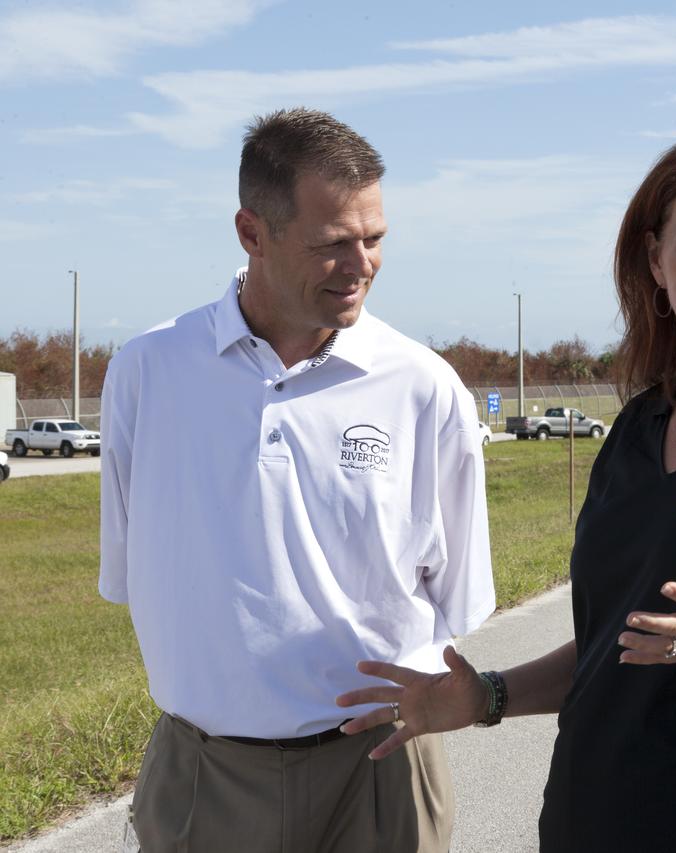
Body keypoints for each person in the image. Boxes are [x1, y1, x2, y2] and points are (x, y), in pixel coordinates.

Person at [337, 137, 676, 852]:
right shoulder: (643, 421)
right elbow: (621, 641)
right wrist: (489, 694)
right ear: (655, 260)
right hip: (588, 820)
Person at [99, 107, 495, 853]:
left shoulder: (425, 387)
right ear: (252, 232)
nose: (362, 264)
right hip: (206, 779)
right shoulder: (148, 371)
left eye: (374, 238)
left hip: (380, 773)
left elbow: (458, 595)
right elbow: (133, 569)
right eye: (331, 244)